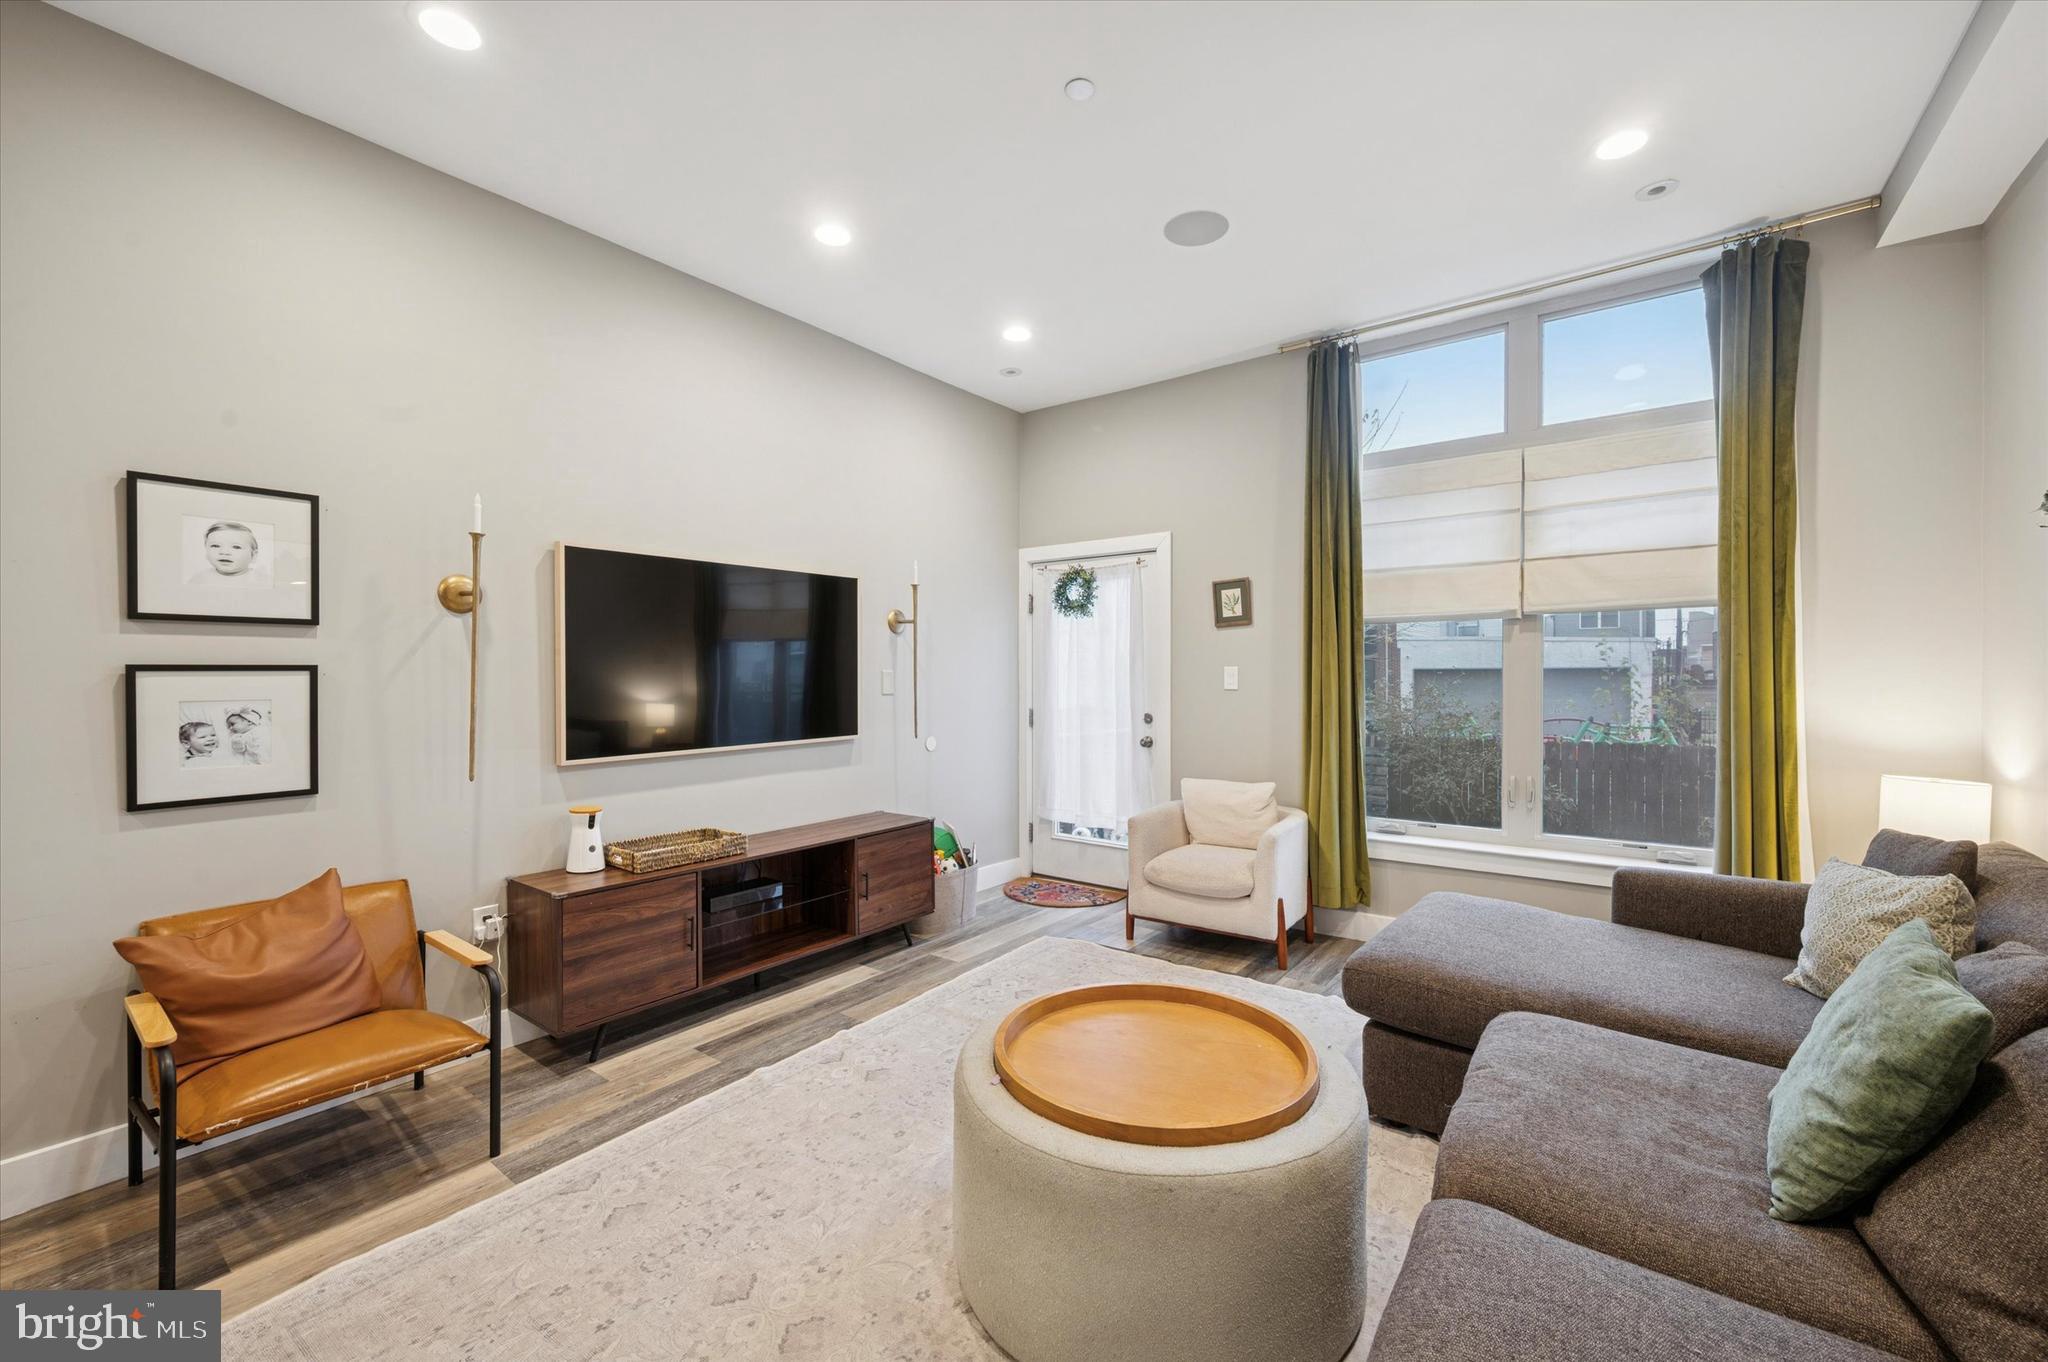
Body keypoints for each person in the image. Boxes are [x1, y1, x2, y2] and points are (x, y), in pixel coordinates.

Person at [188, 521, 268, 586]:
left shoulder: (261, 580)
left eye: (236, 547)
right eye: (215, 546)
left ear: (253, 555)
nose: (224, 552)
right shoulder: (200, 579)